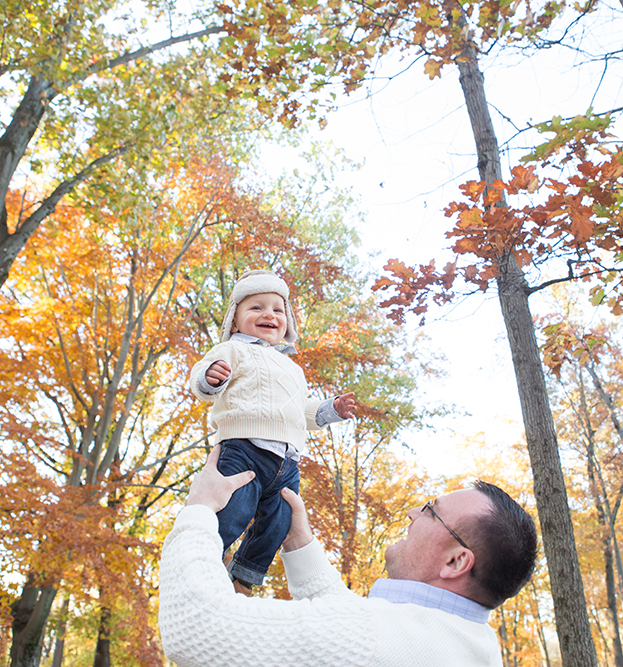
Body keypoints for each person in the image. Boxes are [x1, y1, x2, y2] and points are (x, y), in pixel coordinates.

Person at [158, 445, 539, 667]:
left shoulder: (376, 637)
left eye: (429, 510)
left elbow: (194, 626)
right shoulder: (477, 646)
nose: (412, 514)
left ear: (456, 561)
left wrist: (200, 510)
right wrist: (299, 541)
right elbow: (357, 635)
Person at [187, 269, 357, 594]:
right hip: (244, 448)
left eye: (278, 310)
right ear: (235, 322)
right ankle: (204, 563)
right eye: (256, 307)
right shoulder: (234, 350)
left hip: (287, 462)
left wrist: (329, 410)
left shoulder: (293, 369)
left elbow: (300, 412)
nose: (269, 314)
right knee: (233, 510)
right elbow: (201, 379)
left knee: (278, 524)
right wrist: (211, 376)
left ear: (287, 322)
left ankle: (244, 579)